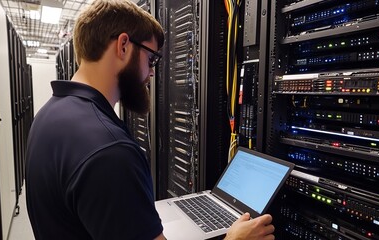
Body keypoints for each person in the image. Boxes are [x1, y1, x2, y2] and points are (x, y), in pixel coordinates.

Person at [25, 0, 275, 239]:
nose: (152, 72)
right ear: (123, 45)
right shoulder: (110, 150)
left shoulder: (48, 115)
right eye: (151, 58)